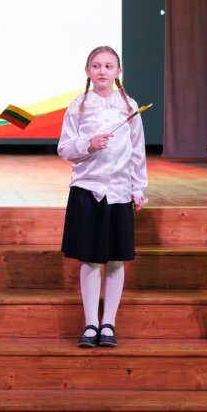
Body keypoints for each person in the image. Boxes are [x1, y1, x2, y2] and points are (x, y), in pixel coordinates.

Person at [57, 46, 148, 348]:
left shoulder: (129, 105)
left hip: (119, 192)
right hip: (87, 189)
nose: (102, 71)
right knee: (90, 260)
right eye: (96, 66)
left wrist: (138, 187)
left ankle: (108, 323)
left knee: (116, 260)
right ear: (87, 71)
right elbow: (64, 149)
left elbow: (137, 150)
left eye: (109, 66)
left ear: (118, 71)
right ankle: (90, 324)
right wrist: (88, 143)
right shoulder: (78, 105)